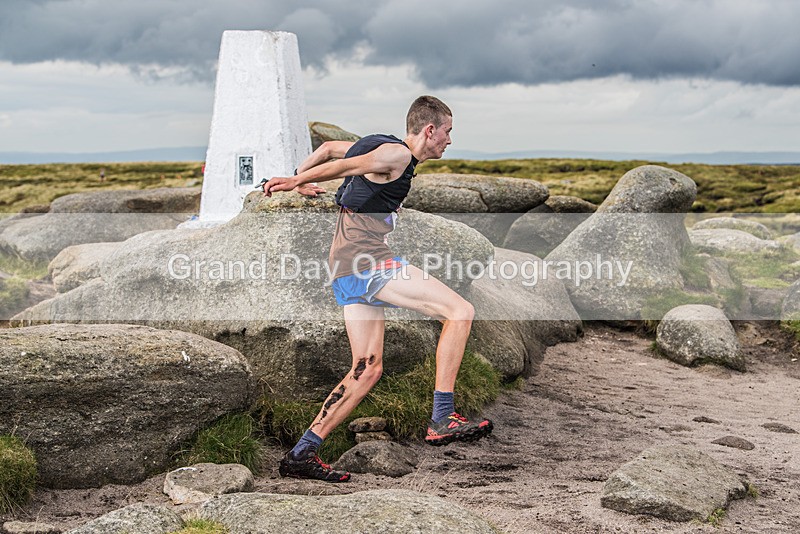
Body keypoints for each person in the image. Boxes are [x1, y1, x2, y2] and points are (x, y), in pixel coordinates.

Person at [261, 96, 492, 483]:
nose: (450, 141)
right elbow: (344, 164)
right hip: (368, 262)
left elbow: (329, 148)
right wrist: (297, 181)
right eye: (448, 132)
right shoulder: (397, 155)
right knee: (459, 311)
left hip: (345, 270)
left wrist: (299, 173)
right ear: (429, 130)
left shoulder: (382, 146)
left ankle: (302, 453)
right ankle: (442, 416)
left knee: (367, 369)